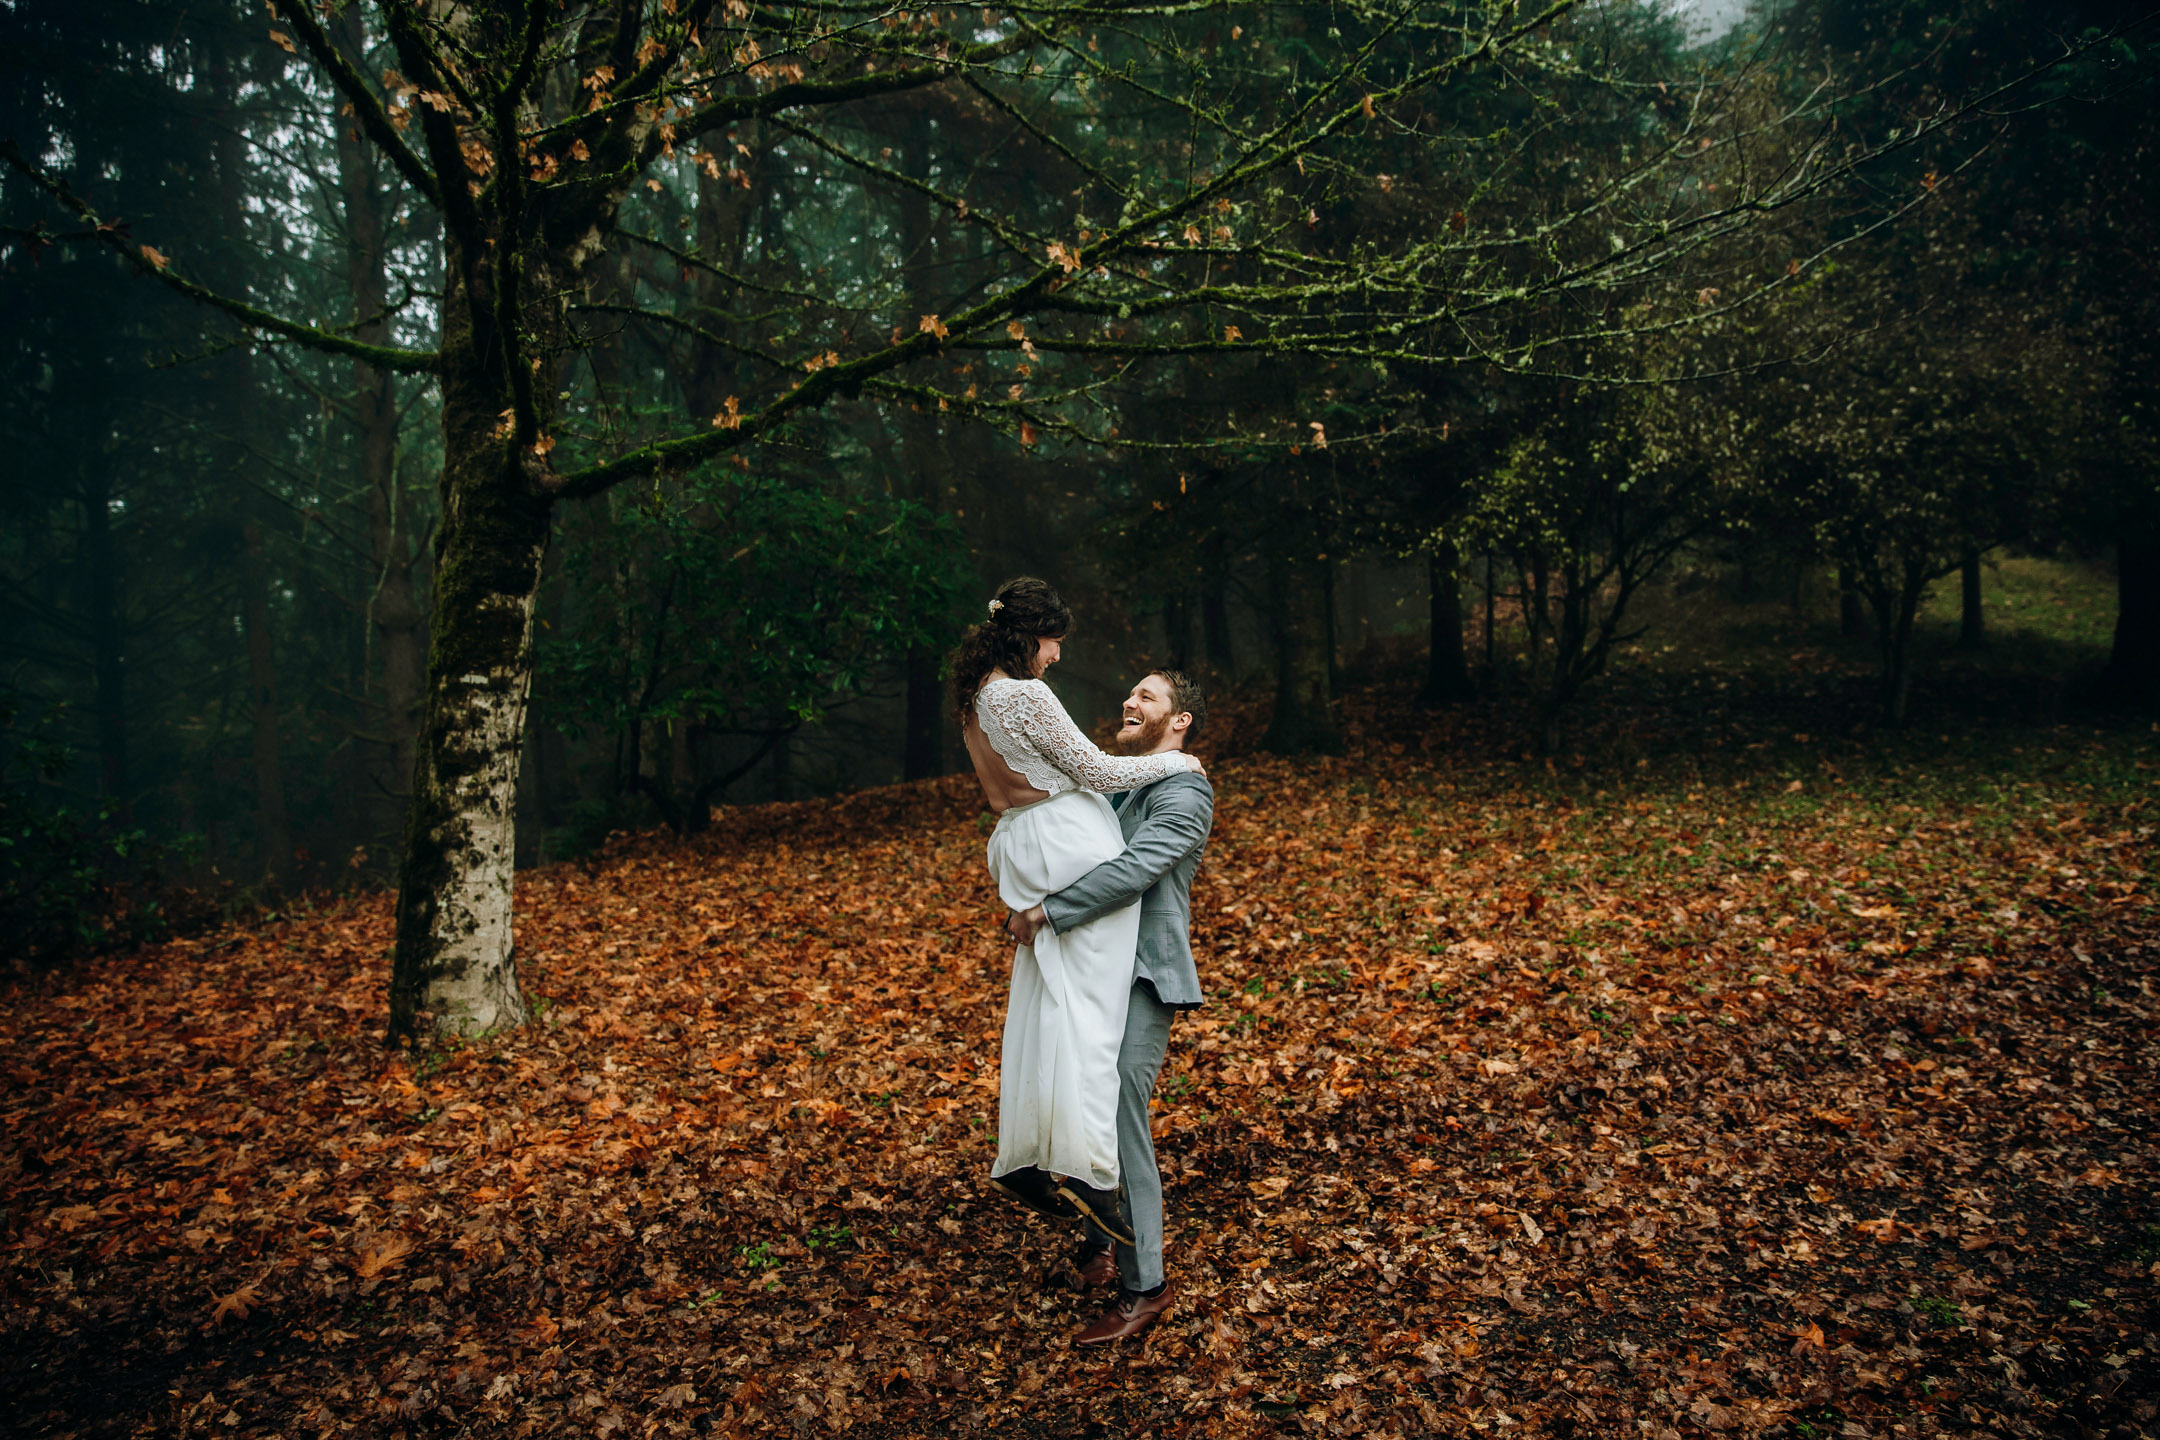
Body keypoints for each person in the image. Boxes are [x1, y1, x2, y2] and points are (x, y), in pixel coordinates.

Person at [953, 578, 1204, 1250]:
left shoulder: (976, 697)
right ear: (1027, 635)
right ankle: (1093, 1173)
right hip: (1064, 841)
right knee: (1093, 1020)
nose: (1057, 655)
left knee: (1044, 1006)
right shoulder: (1025, 693)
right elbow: (1097, 769)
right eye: (1054, 640)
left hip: (1018, 844)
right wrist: (1181, 761)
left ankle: (1025, 1157)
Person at [1006, 667, 1212, 1346]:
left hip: (1146, 975)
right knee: (1081, 1096)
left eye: (1148, 696)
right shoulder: (1122, 789)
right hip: (1093, 970)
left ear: (1179, 721)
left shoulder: (1186, 791)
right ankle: (1099, 1243)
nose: (1130, 699)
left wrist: (1050, 910)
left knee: (1121, 1106)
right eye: (1130, 690)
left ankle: (1145, 1284)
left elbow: (1135, 870)